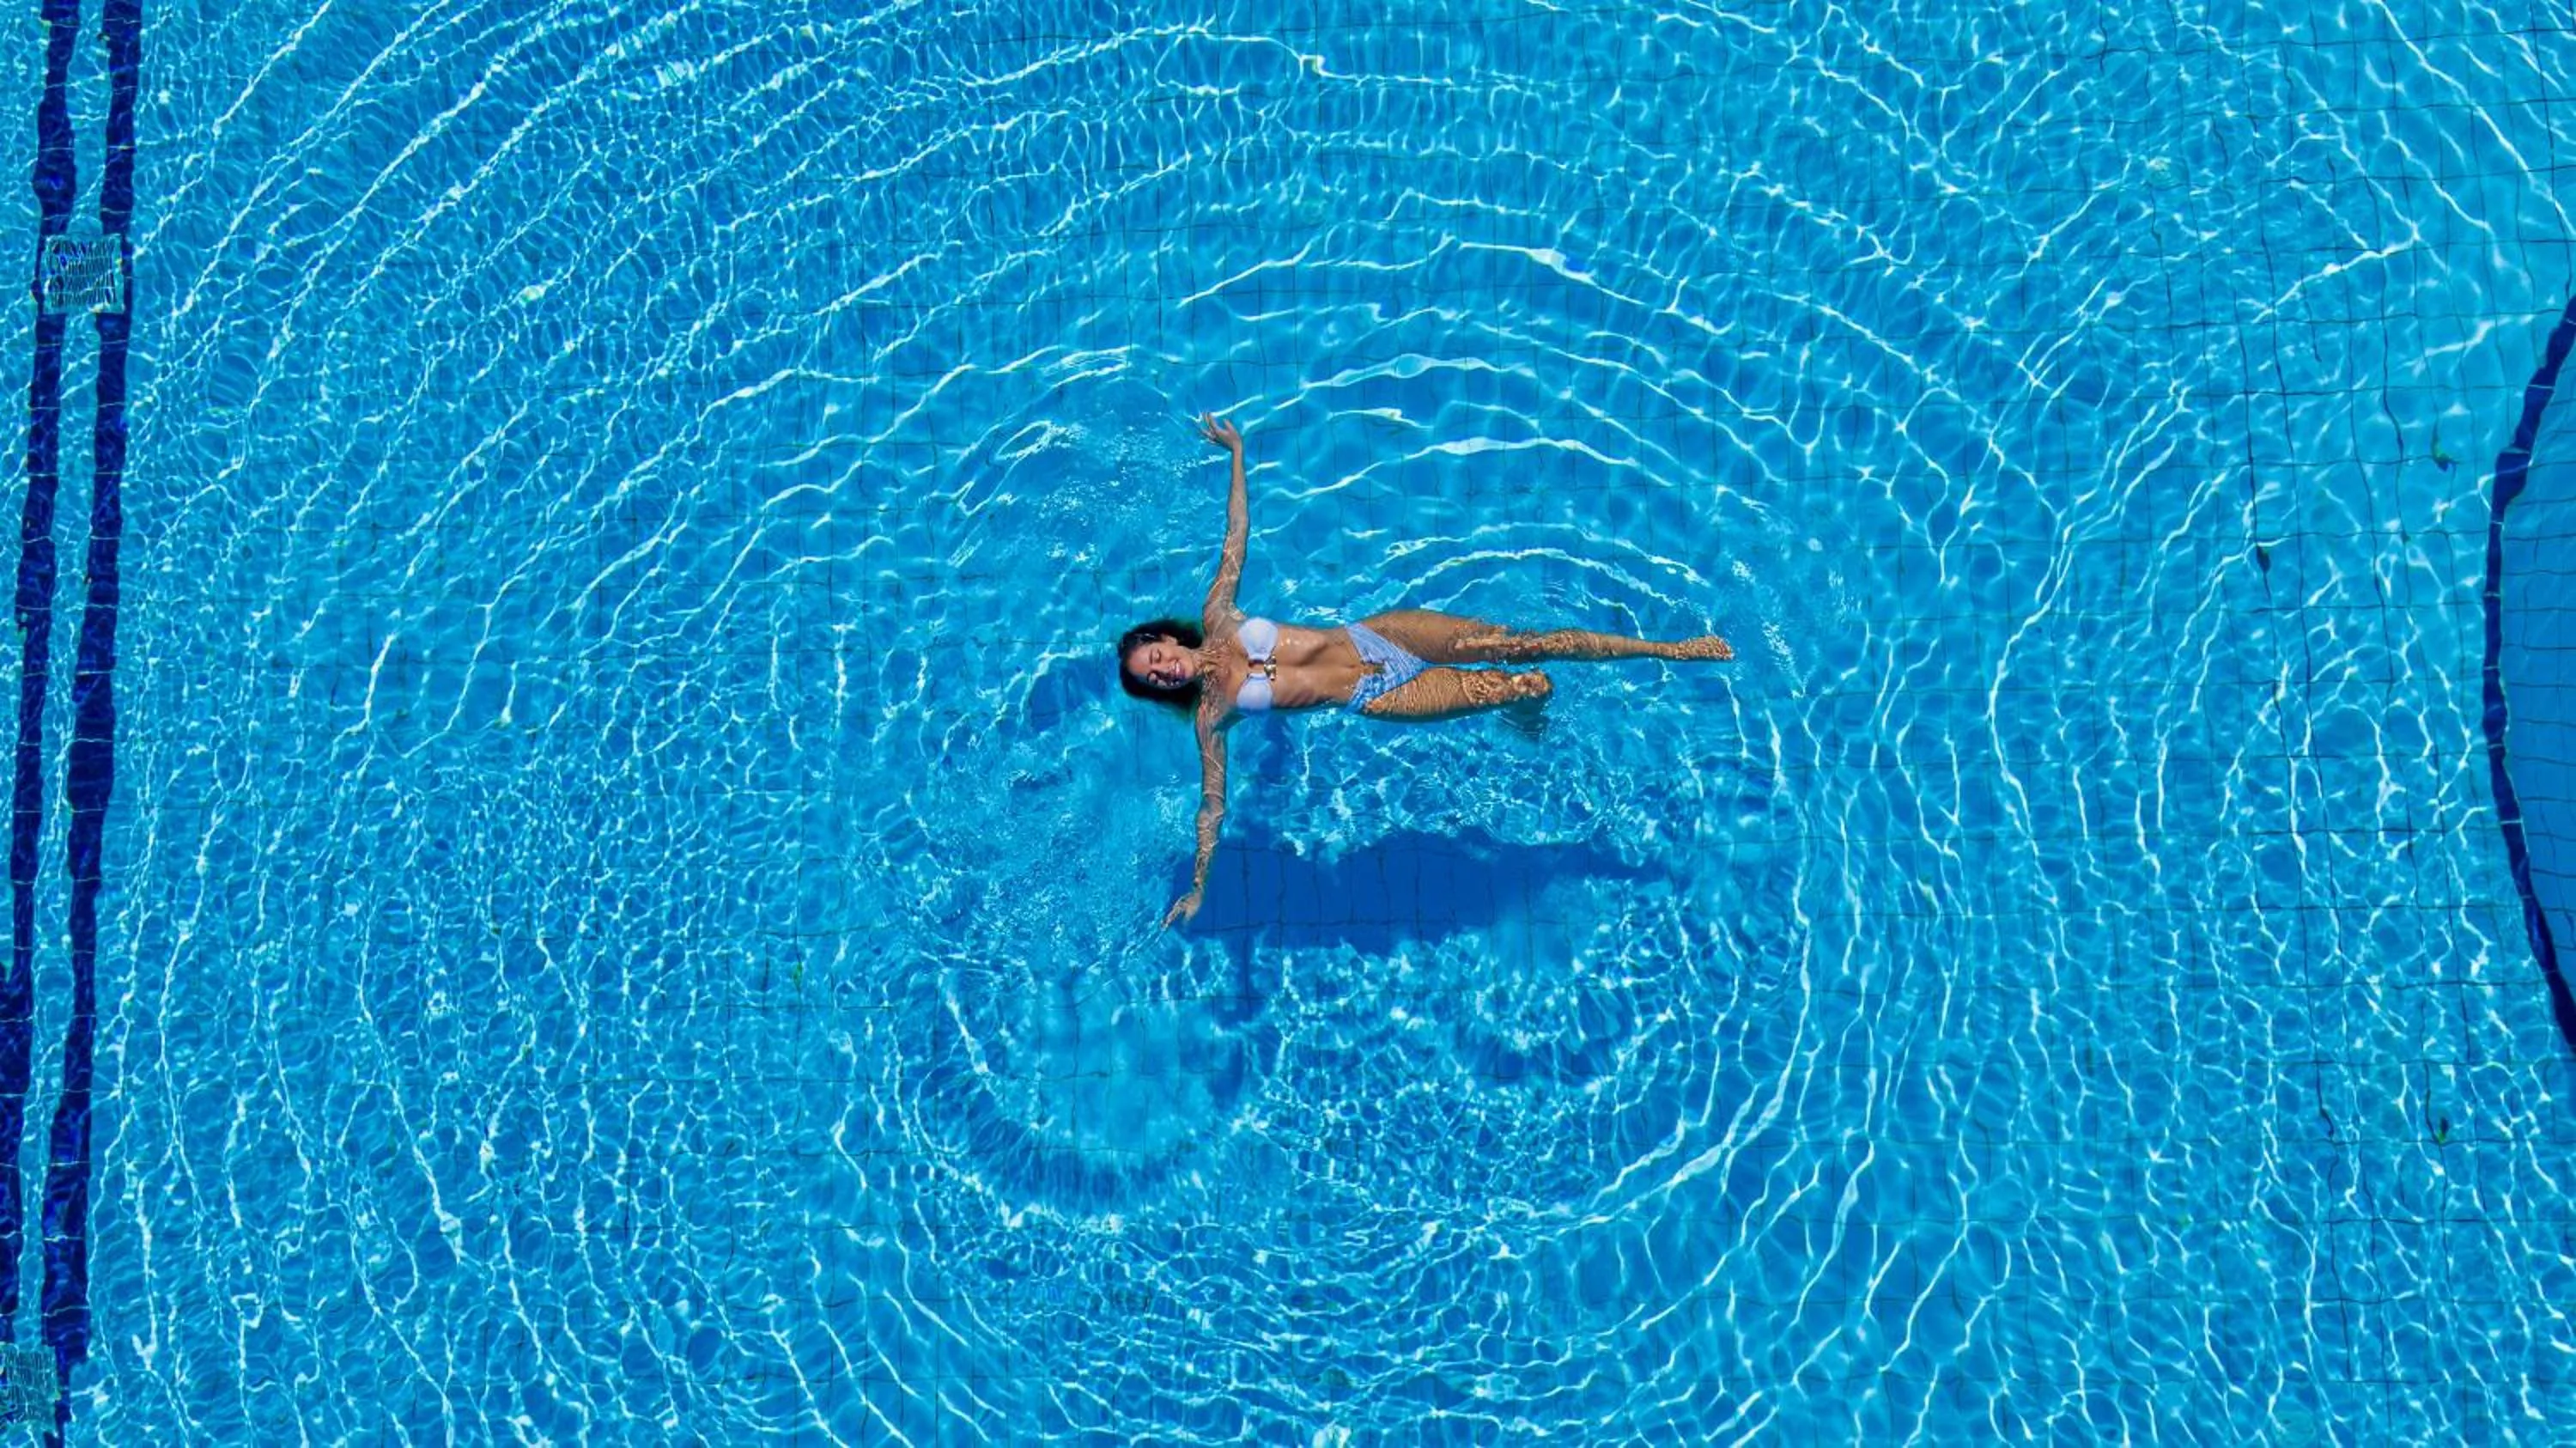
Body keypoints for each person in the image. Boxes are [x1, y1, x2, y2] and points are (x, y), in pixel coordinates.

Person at [1119, 415, 1735, 928]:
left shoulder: (1219, 614)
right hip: (1379, 691)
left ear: (1168, 640)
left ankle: (1670, 650)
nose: (1164, 667)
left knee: (1526, 645)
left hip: (1379, 633)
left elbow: (1237, 533)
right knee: (1524, 685)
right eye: (1153, 676)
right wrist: (1201, 885)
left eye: (1156, 655)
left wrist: (1237, 452)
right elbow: (1212, 807)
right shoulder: (1211, 717)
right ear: (1158, 689)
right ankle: (1524, 713)